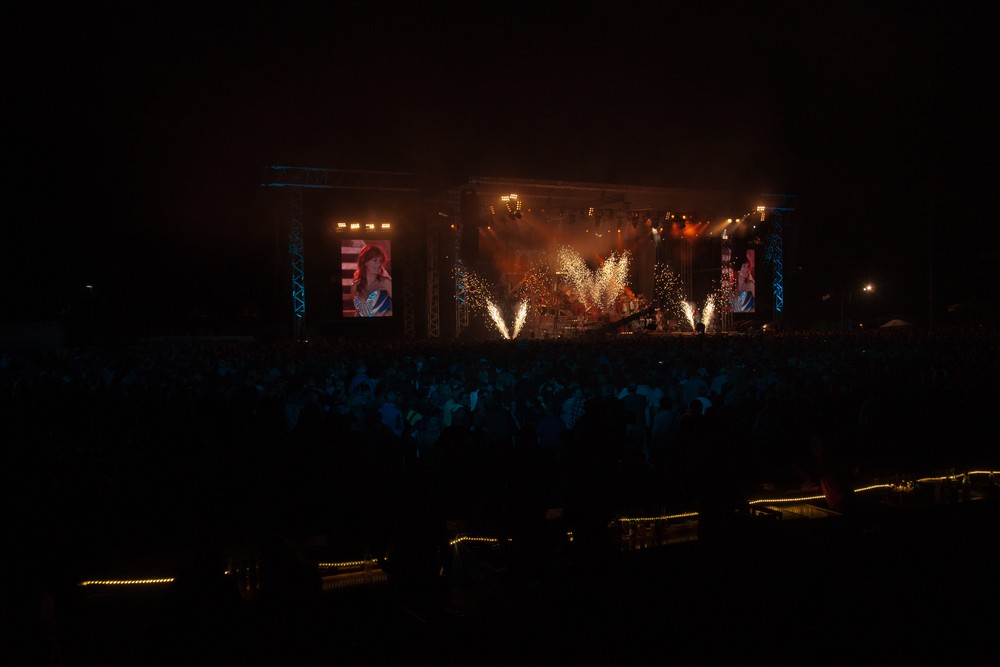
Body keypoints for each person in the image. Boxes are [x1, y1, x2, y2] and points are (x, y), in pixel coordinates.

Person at [351, 244, 393, 317]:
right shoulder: (355, 286)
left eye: (380, 261)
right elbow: (358, 312)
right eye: (375, 260)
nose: (379, 264)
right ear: (365, 262)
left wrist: (387, 313)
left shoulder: (386, 282)